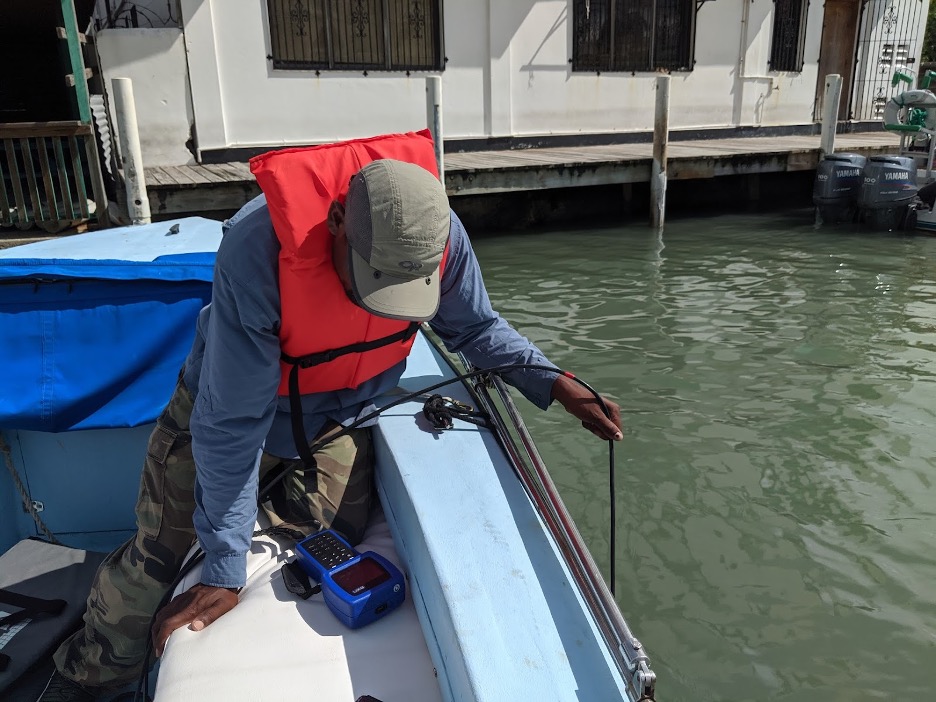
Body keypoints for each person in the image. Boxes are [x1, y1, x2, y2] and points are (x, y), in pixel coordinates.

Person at [40, 154, 622, 701]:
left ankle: (239, 527)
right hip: (223, 415)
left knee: (333, 540)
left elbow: (474, 327)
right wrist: (222, 567)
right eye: (372, 280)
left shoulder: (438, 236)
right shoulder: (258, 247)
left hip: (333, 415)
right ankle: (89, 671)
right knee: (161, 556)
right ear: (339, 220)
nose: (380, 307)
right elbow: (232, 423)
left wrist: (552, 381)